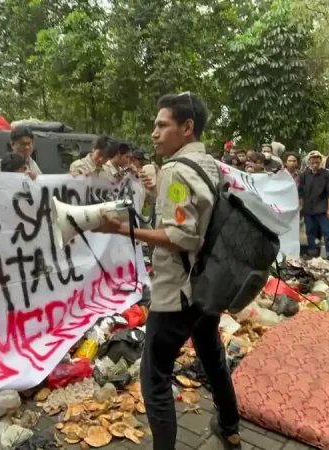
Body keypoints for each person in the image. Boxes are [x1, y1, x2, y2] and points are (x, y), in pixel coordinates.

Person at [97, 92, 241, 450]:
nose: (155, 133)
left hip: (178, 291)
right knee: (212, 358)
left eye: (163, 125)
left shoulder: (177, 170)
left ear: (187, 127)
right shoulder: (211, 165)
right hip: (207, 285)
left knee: (154, 378)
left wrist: (122, 230)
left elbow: (181, 236)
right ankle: (230, 427)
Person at [299, 151, 329, 262]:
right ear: (309, 162)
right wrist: (301, 205)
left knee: (327, 233)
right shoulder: (304, 175)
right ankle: (312, 253)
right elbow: (300, 191)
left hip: (322, 208)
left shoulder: (327, 174)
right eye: (312, 162)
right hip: (309, 209)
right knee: (310, 232)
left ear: (321, 161)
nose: (315, 164)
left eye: (317, 162)